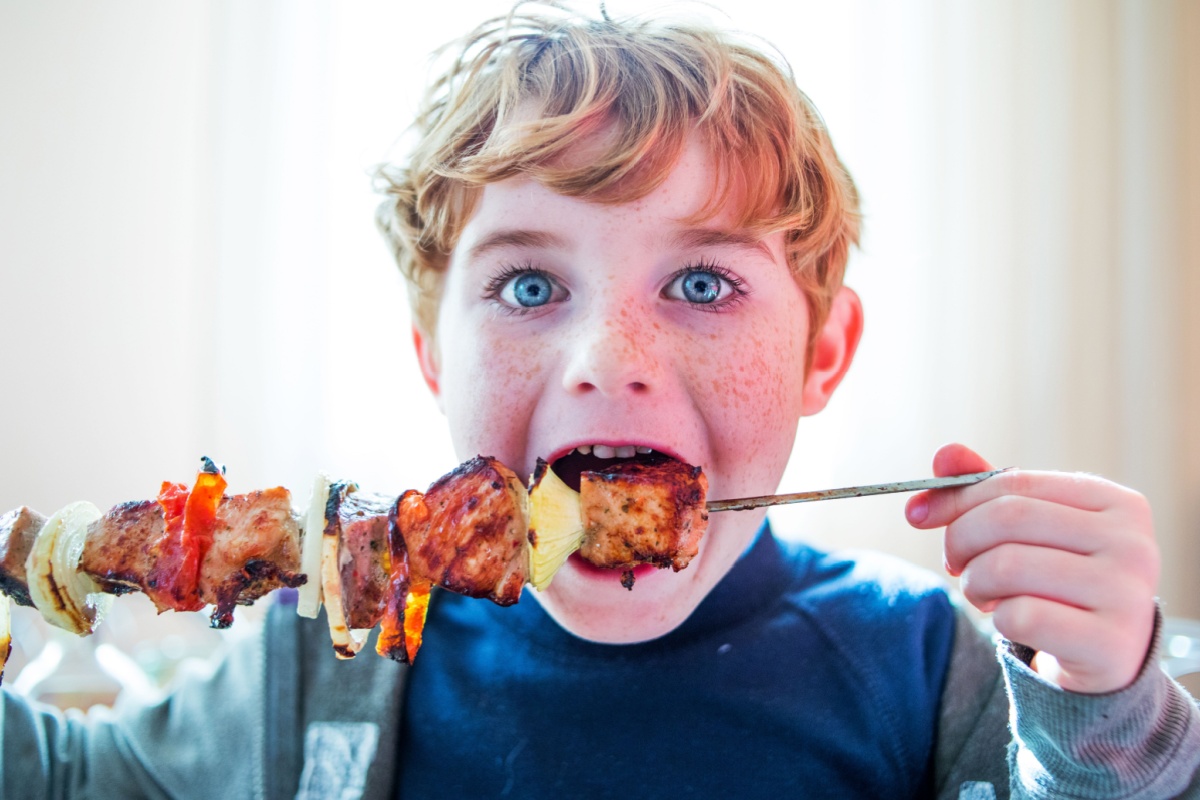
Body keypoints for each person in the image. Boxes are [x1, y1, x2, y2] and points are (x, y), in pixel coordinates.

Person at [3, 3, 1198, 798]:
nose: (605, 354)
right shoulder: (325, 660)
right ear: (430, 353)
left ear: (822, 356)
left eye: (700, 280)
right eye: (529, 282)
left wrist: (1106, 707)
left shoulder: (939, 668)